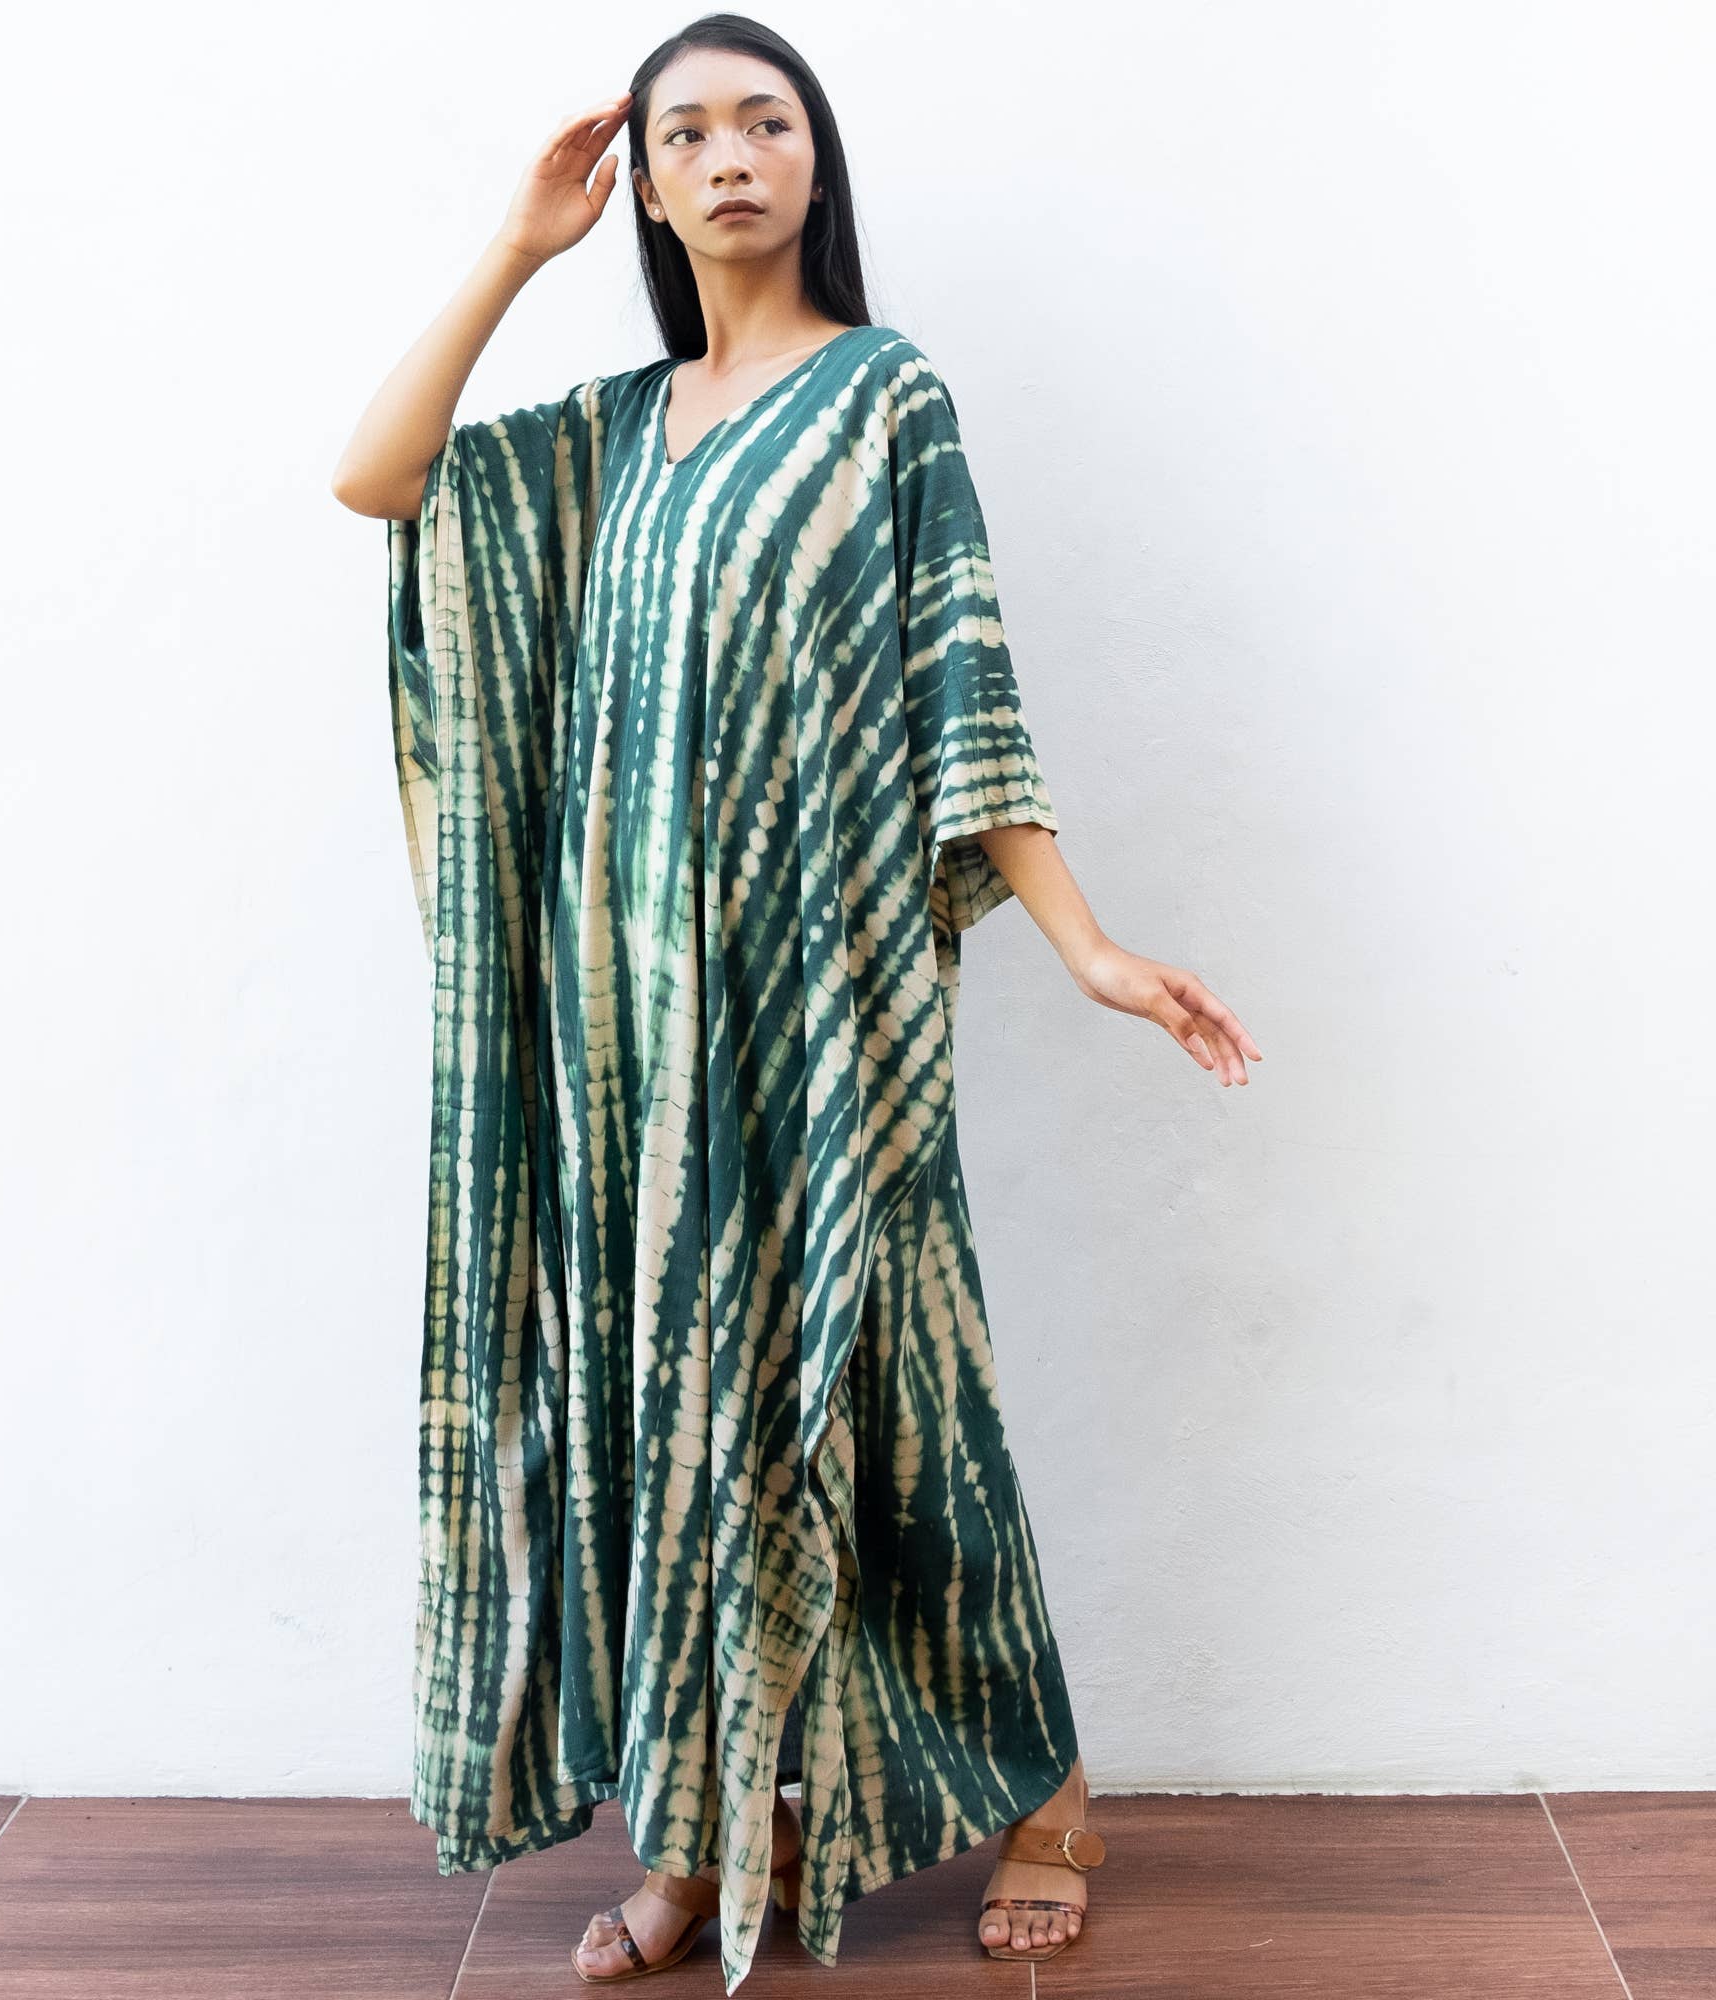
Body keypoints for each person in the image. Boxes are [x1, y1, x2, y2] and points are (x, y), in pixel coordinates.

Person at [332, 16, 1261, 1990]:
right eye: (687, 133)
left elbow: (959, 682)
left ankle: (1045, 1789)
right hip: (631, 1032)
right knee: (674, 1408)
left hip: (830, 999)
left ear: (815, 162)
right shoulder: (611, 433)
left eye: (767, 121)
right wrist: (516, 247)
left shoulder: (882, 398)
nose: (731, 154)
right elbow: (375, 476)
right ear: (650, 189)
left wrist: (1087, 944)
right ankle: (707, 1824)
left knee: (897, 1394)